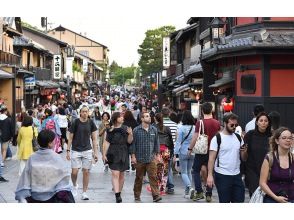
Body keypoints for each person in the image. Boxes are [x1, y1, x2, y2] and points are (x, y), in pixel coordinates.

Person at [15, 129, 74, 203]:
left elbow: (25, 179)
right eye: (54, 140)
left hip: (34, 197)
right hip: (53, 197)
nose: (55, 142)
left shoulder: (32, 158)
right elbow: (64, 179)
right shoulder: (57, 158)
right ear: (50, 143)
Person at [207, 112, 247, 203]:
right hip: (222, 175)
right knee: (224, 201)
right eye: (231, 125)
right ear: (225, 123)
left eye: (236, 125)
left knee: (239, 201)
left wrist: (244, 152)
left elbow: (244, 158)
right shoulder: (217, 138)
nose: (234, 127)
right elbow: (211, 159)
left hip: (237, 175)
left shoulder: (238, 138)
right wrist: (210, 175)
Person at [189, 102, 220, 202]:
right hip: (213, 150)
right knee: (210, 171)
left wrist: (190, 148)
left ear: (202, 111)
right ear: (212, 110)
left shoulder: (200, 122)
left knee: (195, 170)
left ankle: (199, 191)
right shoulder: (217, 123)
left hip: (201, 151)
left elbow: (195, 137)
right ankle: (209, 194)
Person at [66, 105, 98, 200]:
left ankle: (84, 192)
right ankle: (75, 184)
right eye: (83, 111)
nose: (85, 113)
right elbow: (70, 138)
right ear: (80, 112)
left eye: (86, 111)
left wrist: (95, 153)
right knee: (74, 172)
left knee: (86, 172)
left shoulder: (91, 123)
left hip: (87, 150)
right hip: (76, 150)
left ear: (88, 112)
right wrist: (68, 150)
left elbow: (94, 139)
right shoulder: (76, 122)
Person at [130, 112, 162, 202]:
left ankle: (156, 195)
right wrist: (133, 156)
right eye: (147, 116)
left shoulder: (154, 129)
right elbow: (133, 144)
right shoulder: (136, 130)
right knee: (139, 178)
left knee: (153, 177)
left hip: (151, 158)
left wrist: (158, 155)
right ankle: (137, 196)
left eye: (149, 116)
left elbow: (156, 143)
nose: (149, 117)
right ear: (142, 119)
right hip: (139, 158)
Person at [102, 112, 133, 203]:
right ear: (116, 119)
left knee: (122, 175)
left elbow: (129, 141)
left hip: (124, 151)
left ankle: (118, 191)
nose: (122, 118)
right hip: (113, 152)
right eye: (120, 117)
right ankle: (117, 195)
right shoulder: (110, 129)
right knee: (115, 174)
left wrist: (130, 134)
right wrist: (104, 154)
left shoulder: (126, 128)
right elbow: (107, 142)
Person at [259, 127, 294, 203]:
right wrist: (276, 198)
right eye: (284, 138)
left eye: (290, 138)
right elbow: (262, 183)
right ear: (277, 140)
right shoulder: (269, 158)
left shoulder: (293, 158)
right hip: (272, 198)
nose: (288, 140)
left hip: (291, 198)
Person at [243, 112, 272, 196]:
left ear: (268, 123)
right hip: (252, 169)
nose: (263, 123)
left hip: (268, 169)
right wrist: (244, 152)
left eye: (266, 121)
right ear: (257, 122)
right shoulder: (250, 135)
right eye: (261, 120)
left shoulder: (272, 135)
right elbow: (245, 155)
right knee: (255, 194)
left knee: (266, 195)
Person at [174, 110, 195, 199]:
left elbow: (178, 142)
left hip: (183, 151)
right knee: (189, 171)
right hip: (193, 151)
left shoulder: (181, 128)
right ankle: (187, 192)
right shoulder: (194, 128)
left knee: (183, 172)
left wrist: (175, 153)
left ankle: (190, 187)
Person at [154, 113, 174, 195]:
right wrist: (171, 150)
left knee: (158, 170)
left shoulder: (153, 128)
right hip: (166, 150)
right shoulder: (167, 128)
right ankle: (163, 188)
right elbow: (171, 140)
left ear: (155, 119)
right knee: (166, 170)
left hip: (157, 150)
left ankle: (158, 188)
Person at [162, 107, 178, 194]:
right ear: (169, 114)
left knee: (162, 167)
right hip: (171, 148)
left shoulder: (159, 124)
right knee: (168, 167)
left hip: (162, 147)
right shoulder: (175, 124)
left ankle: (164, 185)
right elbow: (176, 138)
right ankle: (170, 186)